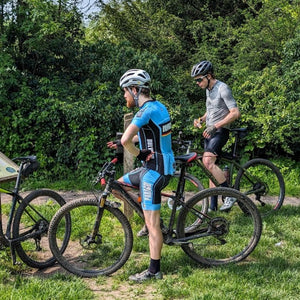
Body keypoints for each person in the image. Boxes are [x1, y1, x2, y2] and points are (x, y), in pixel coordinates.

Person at [108, 69, 175, 282]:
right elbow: (149, 134)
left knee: (153, 225)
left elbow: (129, 140)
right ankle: (149, 215)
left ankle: (154, 271)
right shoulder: (159, 106)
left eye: (126, 92)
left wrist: (137, 153)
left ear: (135, 90)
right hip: (160, 166)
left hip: (154, 171)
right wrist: (126, 142)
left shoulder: (144, 111)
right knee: (117, 186)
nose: (124, 96)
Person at [191, 60, 240, 211]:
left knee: (208, 162)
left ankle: (230, 195)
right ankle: (213, 207)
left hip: (220, 131)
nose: (198, 83)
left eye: (199, 79)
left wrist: (215, 126)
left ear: (209, 76)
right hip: (209, 131)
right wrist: (201, 119)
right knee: (210, 168)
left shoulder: (222, 88)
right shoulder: (209, 90)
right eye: (196, 80)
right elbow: (212, 109)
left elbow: (235, 113)